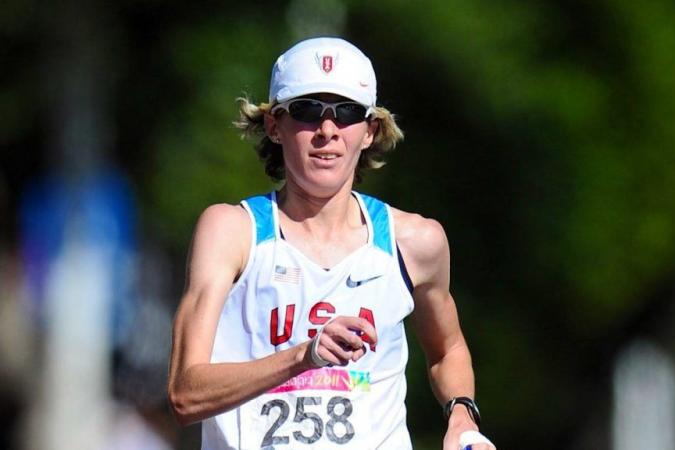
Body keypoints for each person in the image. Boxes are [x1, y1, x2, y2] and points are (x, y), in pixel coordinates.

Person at [167, 37, 496, 450]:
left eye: (346, 113)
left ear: (369, 132)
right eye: (307, 111)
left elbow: (447, 350)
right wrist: (305, 357)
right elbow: (184, 393)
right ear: (274, 126)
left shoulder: (416, 242)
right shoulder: (232, 232)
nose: (327, 130)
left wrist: (462, 418)